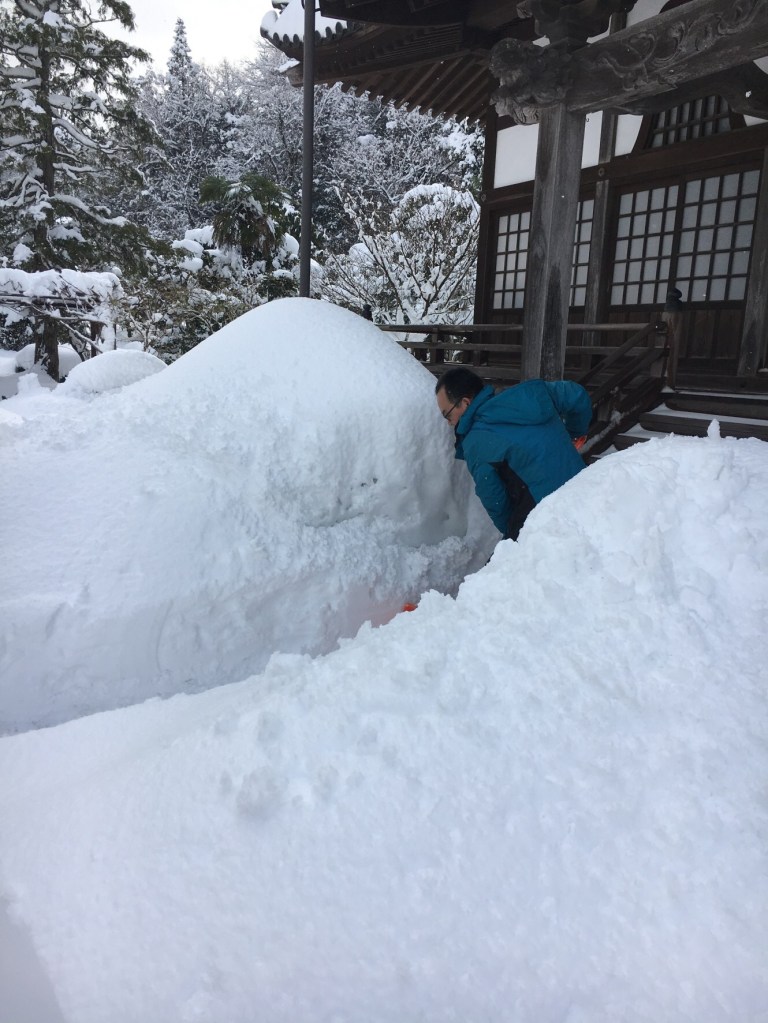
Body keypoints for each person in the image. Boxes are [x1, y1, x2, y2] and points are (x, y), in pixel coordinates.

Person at [435, 367, 592, 541]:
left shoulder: (476, 442)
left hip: (548, 516)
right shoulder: (529, 394)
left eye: (447, 415)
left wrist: (513, 537)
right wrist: (575, 433)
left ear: (465, 403)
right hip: (585, 491)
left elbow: (495, 501)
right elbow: (577, 395)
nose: (449, 423)